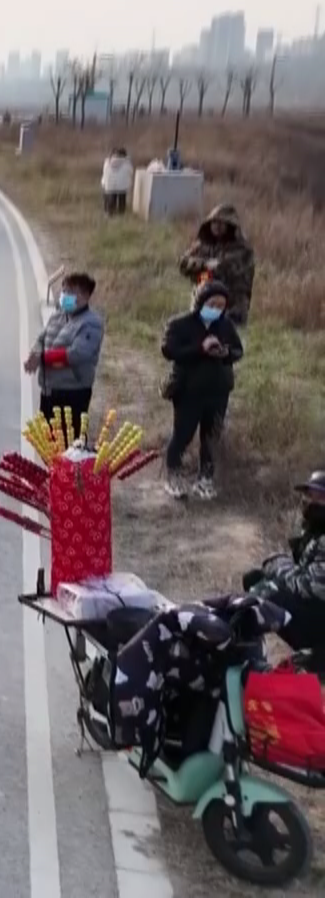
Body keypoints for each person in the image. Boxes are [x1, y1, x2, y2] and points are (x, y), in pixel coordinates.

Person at [160, 280, 244, 501]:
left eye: (221, 305)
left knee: (211, 437)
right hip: (188, 390)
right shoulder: (180, 324)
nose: (216, 309)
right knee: (183, 434)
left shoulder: (225, 325)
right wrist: (200, 348)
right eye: (212, 304)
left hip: (218, 390)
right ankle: (173, 476)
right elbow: (169, 350)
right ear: (201, 302)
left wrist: (225, 353)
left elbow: (238, 351)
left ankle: (205, 479)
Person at [245, 472, 325, 654]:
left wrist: (277, 564)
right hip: (316, 604)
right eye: (309, 495)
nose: (310, 501)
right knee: (255, 580)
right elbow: (302, 567)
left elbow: (307, 585)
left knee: (267, 594)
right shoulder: (314, 529)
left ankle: (317, 654)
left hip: (318, 603)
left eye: (320, 497)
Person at [24, 272, 104, 425]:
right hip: (49, 389)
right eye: (64, 291)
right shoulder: (57, 316)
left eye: (71, 292)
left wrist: (42, 358)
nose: (65, 295)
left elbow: (77, 354)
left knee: (67, 437)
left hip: (72, 392)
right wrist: (34, 354)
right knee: (45, 435)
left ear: (85, 296)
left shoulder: (91, 323)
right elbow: (42, 339)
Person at [176, 204, 255, 330]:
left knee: (227, 341)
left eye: (222, 223)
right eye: (214, 222)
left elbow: (220, 269)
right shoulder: (202, 245)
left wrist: (198, 270)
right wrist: (204, 265)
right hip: (202, 305)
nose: (217, 226)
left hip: (231, 309)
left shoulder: (242, 250)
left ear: (230, 226)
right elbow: (183, 264)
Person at [100, 148, 133, 216]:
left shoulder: (107, 162)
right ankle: (121, 212)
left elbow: (105, 172)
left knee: (111, 198)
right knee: (122, 199)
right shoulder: (127, 163)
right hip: (122, 186)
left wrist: (104, 183)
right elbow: (130, 172)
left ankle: (110, 212)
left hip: (109, 185)